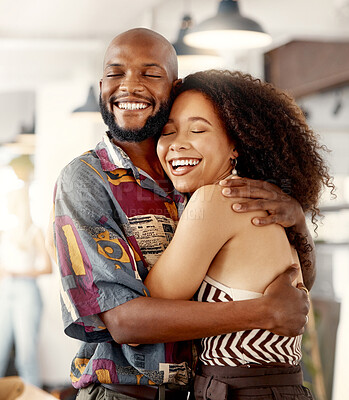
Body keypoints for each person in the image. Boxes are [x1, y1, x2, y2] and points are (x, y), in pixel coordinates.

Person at [52, 28, 313, 400]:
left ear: (170, 88)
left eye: (150, 73)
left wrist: (297, 221)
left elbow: (294, 294)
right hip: (123, 393)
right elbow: (125, 322)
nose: (130, 85)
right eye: (115, 72)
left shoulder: (194, 183)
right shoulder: (87, 180)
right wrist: (262, 312)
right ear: (101, 85)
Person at [145, 69, 334, 399]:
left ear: (236, 145)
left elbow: (150, 311)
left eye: (198, 129)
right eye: (168, 131)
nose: (177, 144)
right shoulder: (266, 203)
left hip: (239, 390)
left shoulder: (216, 201)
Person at [0, 156, 52, 388]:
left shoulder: (33, 232)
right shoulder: (5, 232)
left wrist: (15, 271)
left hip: (26, 292)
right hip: (5, 291)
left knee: (26, 355)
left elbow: (47, 268)